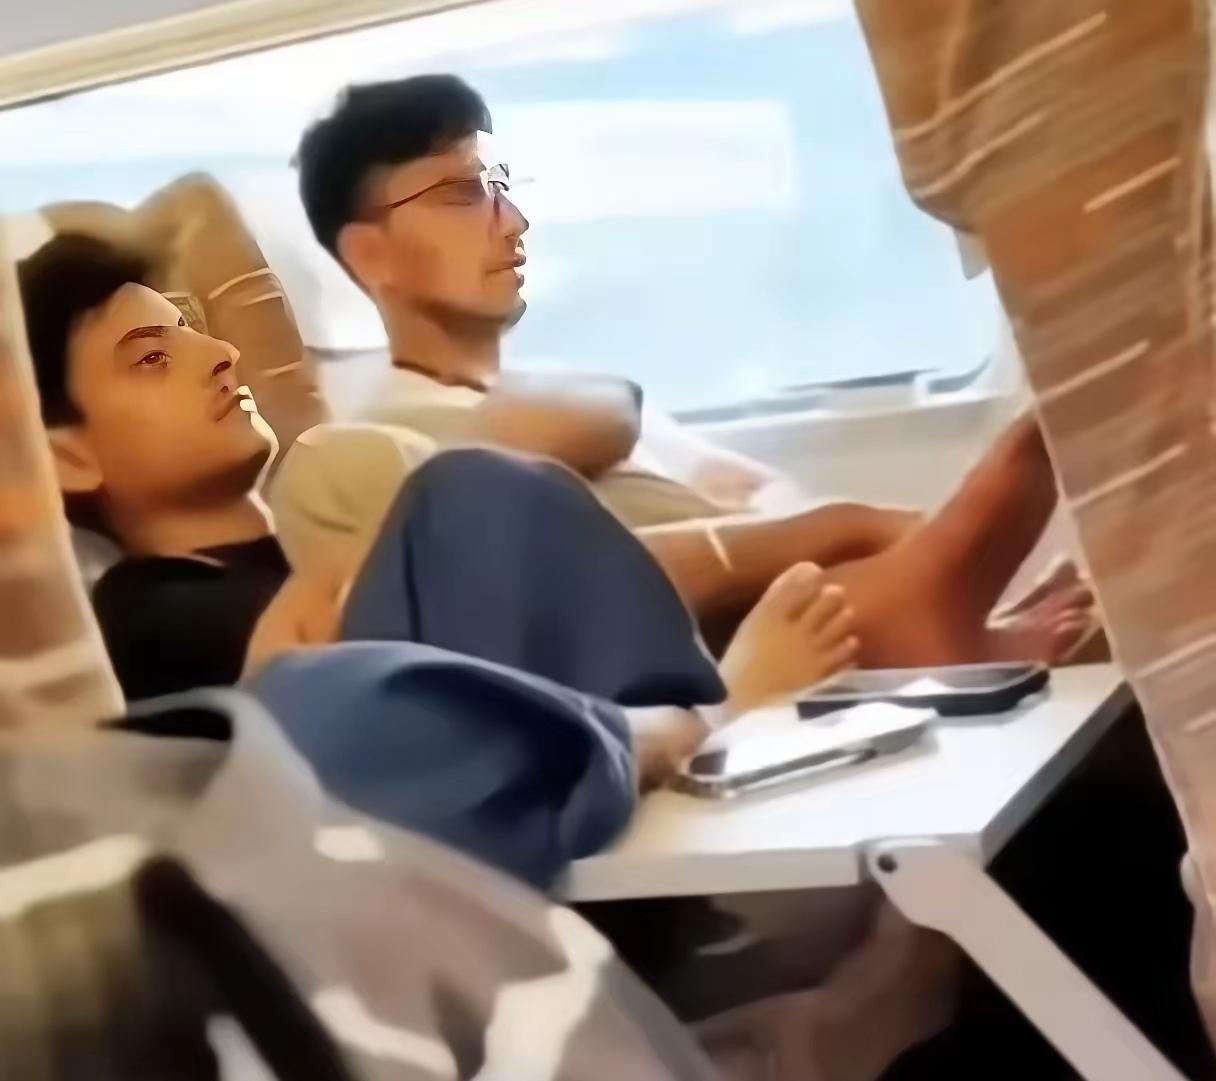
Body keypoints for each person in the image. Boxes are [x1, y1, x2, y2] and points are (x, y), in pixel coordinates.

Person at [290, 74, 1094, 663]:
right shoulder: (379, 449)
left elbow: (744, 485)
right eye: (465, 195)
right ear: (371, 254)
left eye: (504, 188)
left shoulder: (572, 392)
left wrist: (859, 538)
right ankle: (905, 614)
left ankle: (922, 607)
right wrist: (837, 528)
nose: (514, 221)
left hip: (797, 592)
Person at [17, 231, 860, 779]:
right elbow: (444, 725)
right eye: (152, 358)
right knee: (471, 493)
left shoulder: (296, 556)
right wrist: (726, 696)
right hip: (509, 839)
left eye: (195, 329)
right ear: (66, 454)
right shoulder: (147, 617)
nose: (220, 354)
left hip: (609, 751)